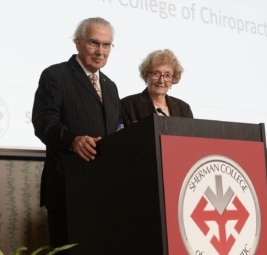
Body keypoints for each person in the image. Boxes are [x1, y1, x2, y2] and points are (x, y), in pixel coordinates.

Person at [32, 17, 122, 251]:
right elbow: (43, 122)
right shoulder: (55, 76)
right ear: (78, 43)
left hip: (105, 191)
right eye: (94, 43)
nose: (100, 51)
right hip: (67, 188)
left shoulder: (111, 87)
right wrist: (72, 141)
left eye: (106, 45)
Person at [121, 49, 193, 126]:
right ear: (146, 75)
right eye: (156, 74)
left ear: (173, 78)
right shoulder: (127, 105)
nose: (161, 80)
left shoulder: (183, 109)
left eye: (167, 75)